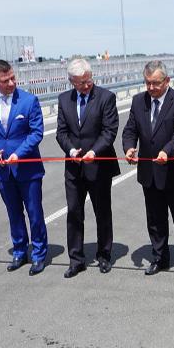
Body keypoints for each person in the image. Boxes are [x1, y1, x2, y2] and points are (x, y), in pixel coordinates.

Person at [123, 60, 174, 277]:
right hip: (149, 174)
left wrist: (168, 151)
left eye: (155, 83)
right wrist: (129, 147)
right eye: (147, 83)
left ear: (167, 81)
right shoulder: (139, 102)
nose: (151, 88)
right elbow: (130, 130)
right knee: (155, 219)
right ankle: (160, 257)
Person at [0, 59, 48, 275]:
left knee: (34, 213)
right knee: (14, 213)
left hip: (28, 168)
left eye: (12, 78)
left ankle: (39, 254)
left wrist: (19, 154)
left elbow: (36, 133)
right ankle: (19, 251)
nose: (11, 83)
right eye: (5, 80)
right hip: (3, 169)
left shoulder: (29, 100)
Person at [56, 57, 120, 277]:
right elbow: (61, 132)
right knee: (74, 212)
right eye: (81, 82)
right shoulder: (64, 100)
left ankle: (104, 255)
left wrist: (95, 151)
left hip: (98, 165)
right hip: (74, 167)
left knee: (102, 212)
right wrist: (71, 150)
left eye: (89, 80)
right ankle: (76, 259)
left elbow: (109, 131)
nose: (87, 85)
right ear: (71, 81)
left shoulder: (106, 98)